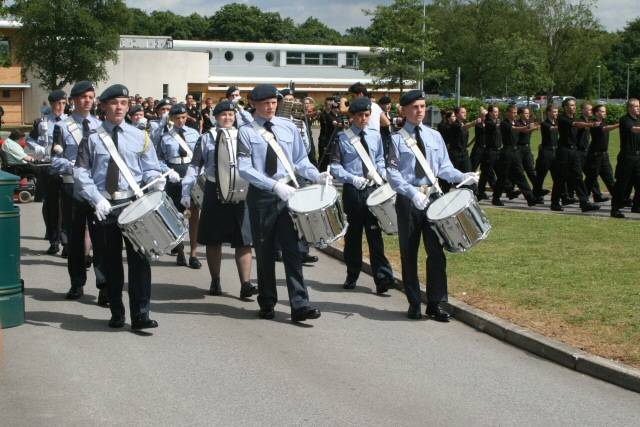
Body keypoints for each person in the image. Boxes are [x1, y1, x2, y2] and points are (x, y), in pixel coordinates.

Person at [237, 84, 331, 322]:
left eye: (273, 102)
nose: (270, 107)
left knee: (293, 250)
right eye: (264, 103)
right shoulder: (246, 132)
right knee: (265, 250)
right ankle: (267, 301)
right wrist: (273, 185)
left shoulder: (288, 127)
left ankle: (300, 304)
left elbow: (300, 160)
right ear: (254, 105)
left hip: (290, 192)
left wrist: (315, 175)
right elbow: (245, 168)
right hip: (263, 196)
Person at [74, 83, 164, 330]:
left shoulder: (140, 135)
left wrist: (156, 181)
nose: (119, 107)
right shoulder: (91, 138)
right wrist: (96, 198)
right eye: (114, 103)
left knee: (140, 261)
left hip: (133, 204)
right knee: (109, 262)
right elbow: (81, 172)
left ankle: (141, 314)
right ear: (103, 106)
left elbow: (151, 167)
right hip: (105, 206)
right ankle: (116, 311)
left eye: (123, 103)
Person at [386, 90, 478, 320]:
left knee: (436, 252)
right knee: (409, 252)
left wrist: (461, 176)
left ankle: (436, 303)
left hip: (433, 199)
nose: (419, 111)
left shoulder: (434, 136)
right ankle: (414, 302)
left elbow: (444, 168)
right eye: (415, 107)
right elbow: (393, 174)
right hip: (409, 200)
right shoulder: (395, 139)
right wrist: (410, 193)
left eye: (422, 106)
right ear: (404, 110)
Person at [181, 100, 258, 298]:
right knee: (213, 239)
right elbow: (194, 165)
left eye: (231, 115)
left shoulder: (245, 135)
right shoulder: (206, 138)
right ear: (215, 117)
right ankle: (215, 280)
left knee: (244, 239)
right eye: (223, 115)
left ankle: (246, 284)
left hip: (241, 190)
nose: (228, 118)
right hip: (214, 188)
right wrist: (185, 190)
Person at [330, 96, 395, 293]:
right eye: (360, 115)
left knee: (375, 234)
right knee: (353, 236)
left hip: (373, 189)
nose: (364, 119)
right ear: (352, 117)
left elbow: (380, 160)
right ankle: (352, 274)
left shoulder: (375, 136)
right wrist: (351, 178)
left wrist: (382, 173)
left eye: (367, 115)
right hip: (353, 191)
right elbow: (335, 166)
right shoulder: (342, 138)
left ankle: (383, 278)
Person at [51, 81, 107, 302]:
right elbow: (54, 160)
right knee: (75, 240)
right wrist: (73, 167)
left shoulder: (101, 125)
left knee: (101, 239)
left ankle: (104, 286)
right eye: (83, 97)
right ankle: (77, 283)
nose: (87, 101)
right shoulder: (62, 126)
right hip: (72, 187)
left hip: (95, 189)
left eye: (91, 97)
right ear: (73, 100)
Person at [155, 103, 201, 269]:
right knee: (177, 216)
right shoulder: (165, 136)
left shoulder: (194, 133)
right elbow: (158, 159)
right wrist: (168, 172)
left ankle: (194, 253)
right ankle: (180, 250)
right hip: (174, 176)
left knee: (194, 215)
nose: (181, 121)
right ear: (171, 119)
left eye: (183, 117)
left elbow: (200, 155)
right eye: (177, 118)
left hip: (191, 174)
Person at [26, 90, 67, 255]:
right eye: (58, 103)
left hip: (66, 168)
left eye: (64, 103)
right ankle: (53, 240)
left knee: (67, 206)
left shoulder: (69, 122)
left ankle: (67, 242)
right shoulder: (41, 122)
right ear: (51, 104)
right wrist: (40, 149)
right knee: (51, 207)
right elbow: (29, 140)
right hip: (48, 167)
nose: (61, 107)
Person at [550, 98, 600, 212]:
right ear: (565, 107)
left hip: (574, 152)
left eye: (574, 105)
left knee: (578, 176)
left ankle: (584, 202)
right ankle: (554, 203)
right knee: (560, 178)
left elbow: (581, 129)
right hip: (563, 152)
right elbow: (577, 124)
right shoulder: (562, 119)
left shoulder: (576, 118)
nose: (573, 107)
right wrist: (590, 124)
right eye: (571, 105)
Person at [492, 106, 541, 206]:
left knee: (520, 175)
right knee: (502, 177)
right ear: (508, 113)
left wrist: (533, 128)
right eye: (513, 112)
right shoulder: (504, 123)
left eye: (515, 113)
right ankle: (496, 198)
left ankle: (530, 199)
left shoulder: (517, 123)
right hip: (506, 152)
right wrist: (526, 127)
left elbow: (523, 131)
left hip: (515, 152)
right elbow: (514, 129)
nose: (515, 114)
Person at [611, 98, 640, 218]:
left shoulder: (638, 119)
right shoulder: (625, 120)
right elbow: (634, 130)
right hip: (627, 157)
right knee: (622, 184)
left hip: (638, 157)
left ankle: (637, 206)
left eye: (639, 106)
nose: (638, 108)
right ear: (629, 108)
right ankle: (615, 209)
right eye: (636, 106)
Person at [584, 105, 618, 205]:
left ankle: (618, 199)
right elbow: (606, 129)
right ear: (596, 113)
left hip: (604, 156)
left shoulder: (603, 122)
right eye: (602, 111)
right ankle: (584, 200)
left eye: (605, 111)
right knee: (591, 178)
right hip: (595, 156)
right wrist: (620, 124)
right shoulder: (594, 124)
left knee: (609, 178)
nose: (604, 113)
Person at [533, 105, 559, 198]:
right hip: (546, 152)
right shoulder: (545, 124)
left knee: (557, 176)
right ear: (549, 112)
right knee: (541, 175)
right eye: (554, 111)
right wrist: (566, 125)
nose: (556, 113)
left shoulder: (555, 123)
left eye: (557, 111)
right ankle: (536, 193)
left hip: (555, 152)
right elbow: (552, 129)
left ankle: (561, 196)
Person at [478, 106, 501, 201]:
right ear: (490, 113)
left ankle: (500, 192)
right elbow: (495, 126)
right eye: (494, 112)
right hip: (490, 151)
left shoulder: (496, 122)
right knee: (486, 173)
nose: (496, 114)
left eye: (497, 112)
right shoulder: (488, 122)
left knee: (499, 173)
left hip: (497, 150)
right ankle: (480, 192)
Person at [515, 107, 538, 189]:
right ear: (520, 114)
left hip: (527, 149)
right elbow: (524, 131)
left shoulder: (529, 122)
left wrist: (535, 126)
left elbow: (536, 125)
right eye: (525, 113)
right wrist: (532, 128)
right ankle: (510, 189)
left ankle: (538, 191)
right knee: (519, 172)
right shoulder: (517, 123)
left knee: (531, 170)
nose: (527, 115)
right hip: (519, 149)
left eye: (528, 113)